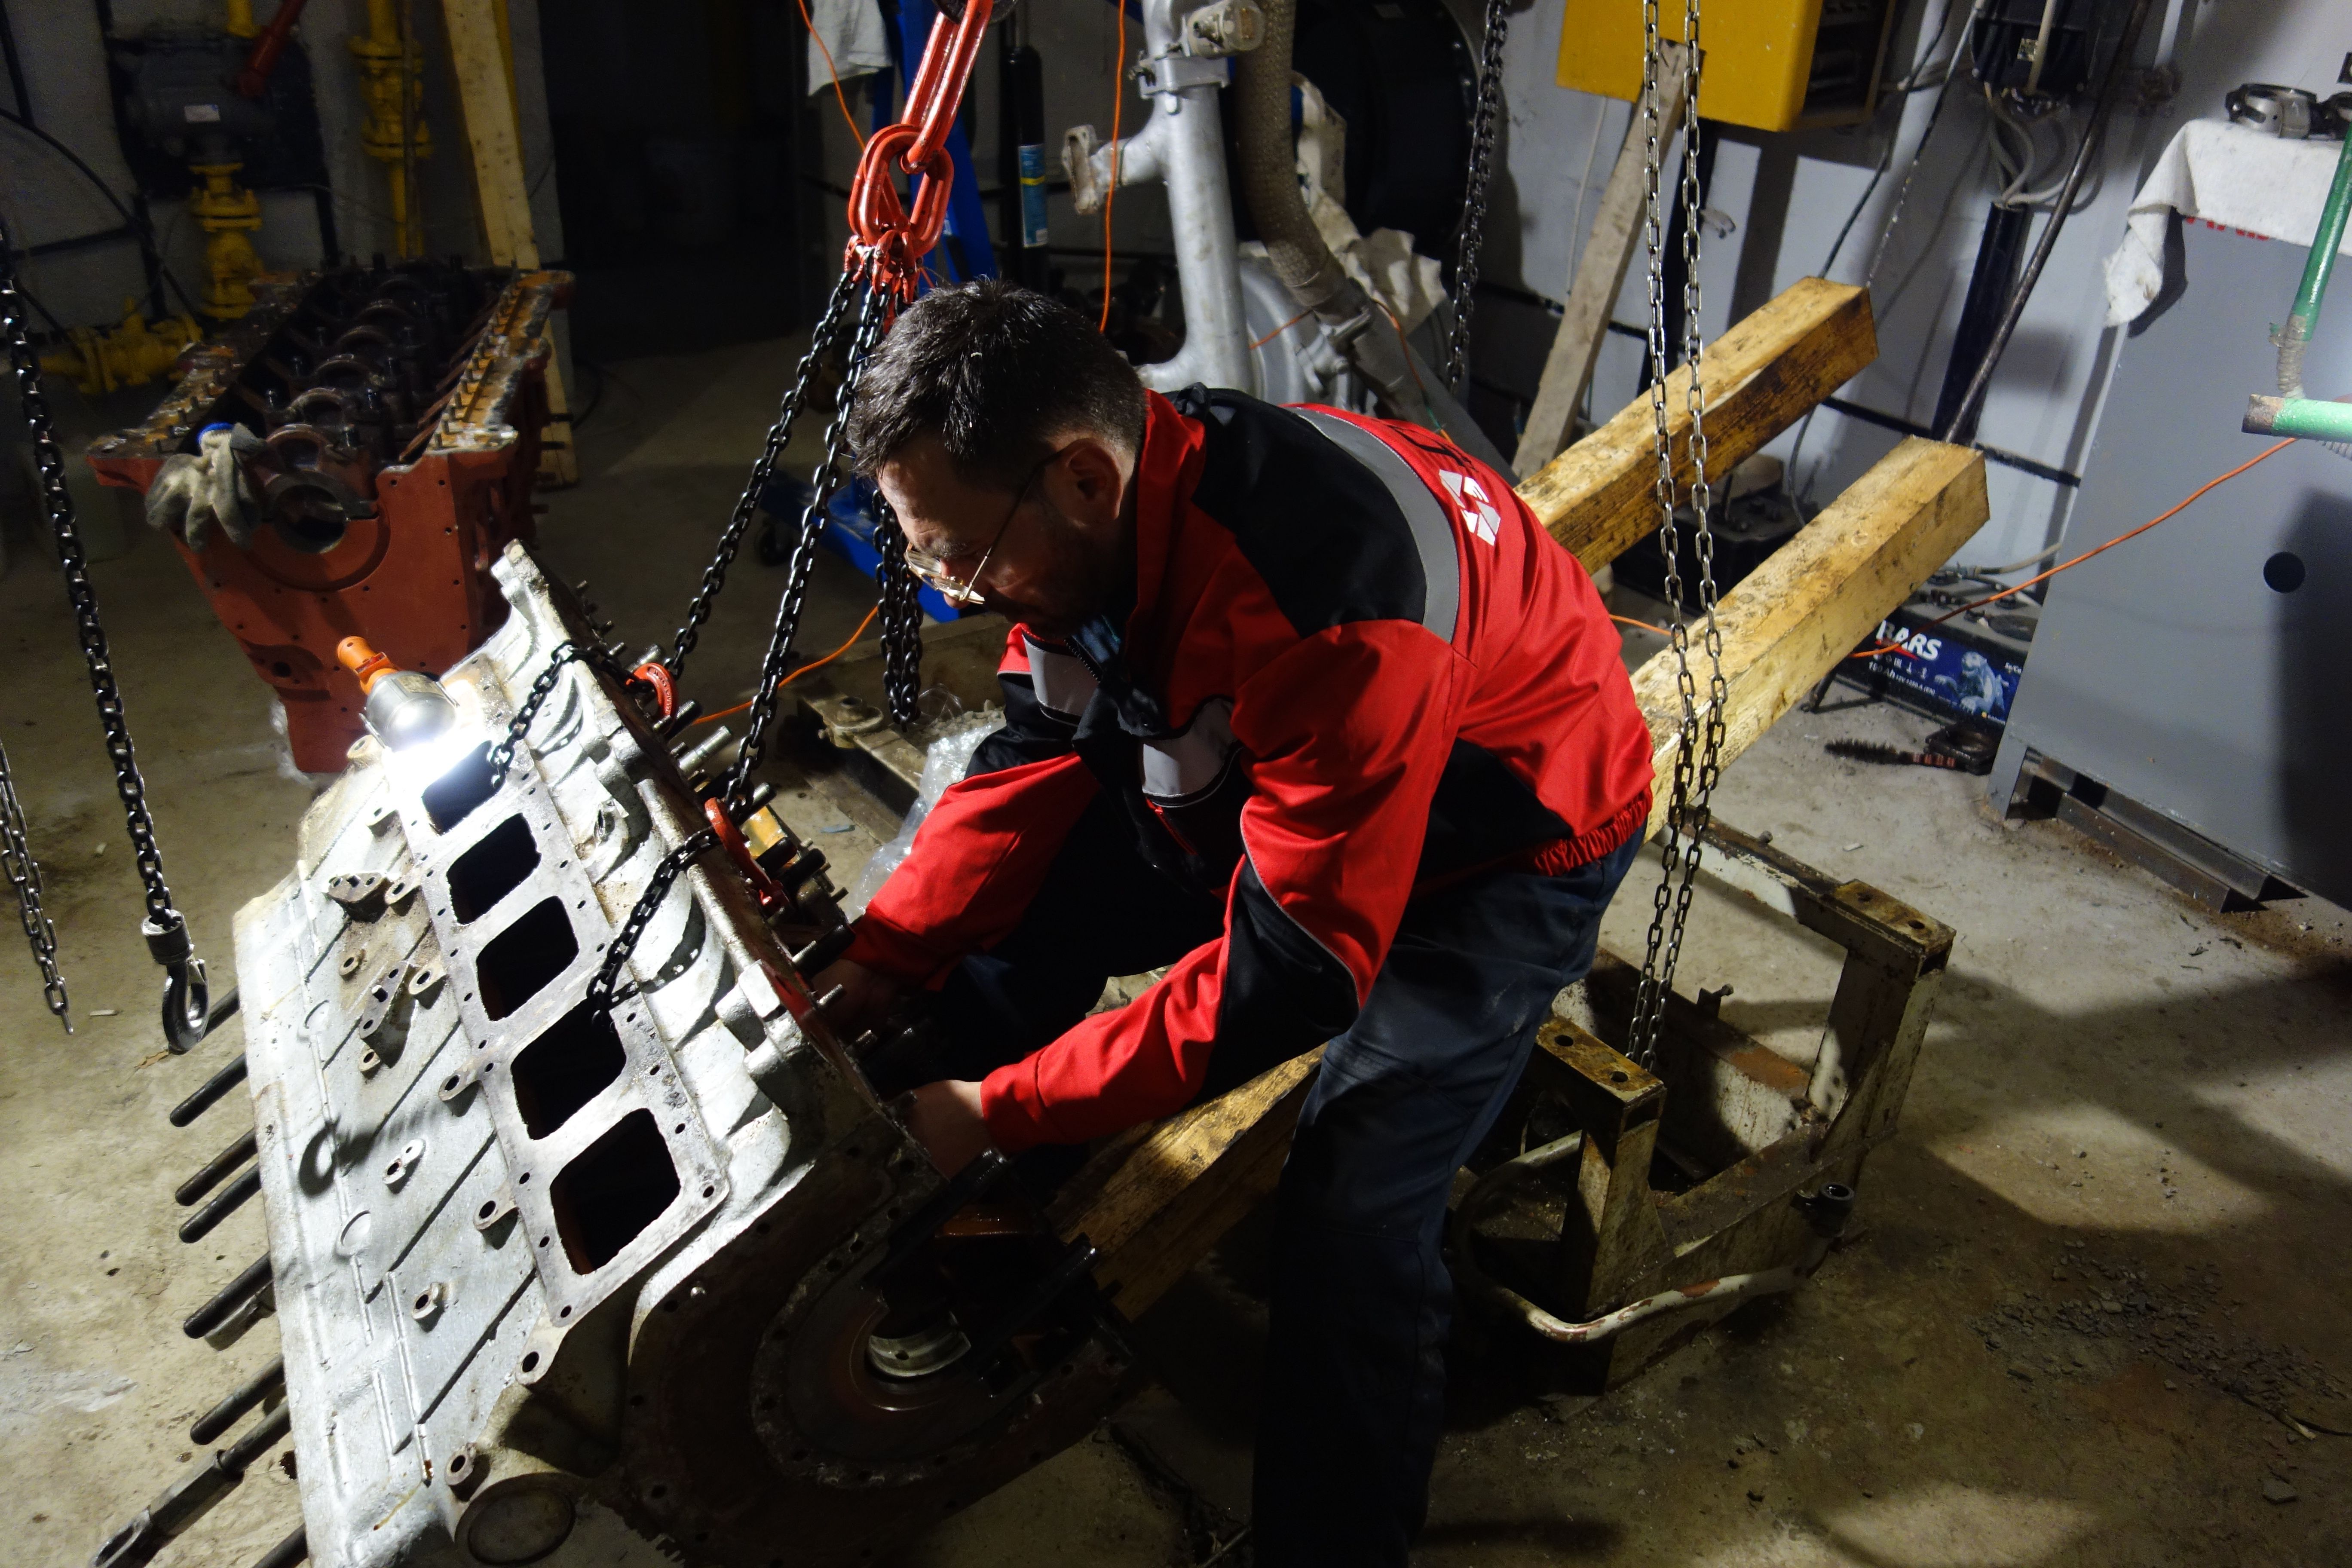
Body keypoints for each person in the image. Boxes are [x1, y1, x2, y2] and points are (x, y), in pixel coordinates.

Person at [813, 280, 1653, 1565]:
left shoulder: (1330, 601)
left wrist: (1003, 1105)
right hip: (1287, 782)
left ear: (1083, 479)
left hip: (1500, 846)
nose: (952, 590)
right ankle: (944, 1249)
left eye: (963, 556)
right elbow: (1033, 759)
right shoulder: (1112, 524)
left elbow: (1290, 978)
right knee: (1010, 933)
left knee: (1354, 1209)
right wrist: (885, 954)